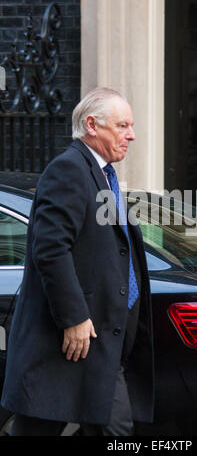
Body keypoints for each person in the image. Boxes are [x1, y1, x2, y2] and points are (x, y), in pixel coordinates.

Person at [0, 87, 154, 436]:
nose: (131, 134)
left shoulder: (102, 174)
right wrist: (75, 318)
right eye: (122, 125)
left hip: (101, 340)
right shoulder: (69, 169)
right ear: (91, 125)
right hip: (74, 338)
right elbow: (51, 249)